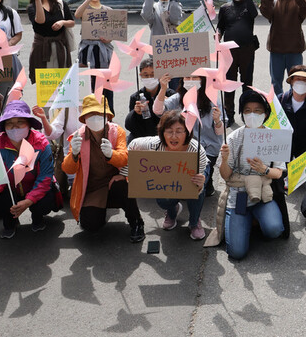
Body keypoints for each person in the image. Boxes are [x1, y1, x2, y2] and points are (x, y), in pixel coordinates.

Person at [207, 92, 288, 258]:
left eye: (258, 111)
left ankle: (256, 220)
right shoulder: (234, 137)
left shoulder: (275, 136)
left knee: (274, 230)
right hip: (239, 194)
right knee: (236, 252)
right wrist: (224, 159)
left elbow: (278, 173)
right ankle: (246, 222)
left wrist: (264, 169)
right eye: (248, 110)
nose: (253, 115)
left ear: (266, 113)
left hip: (263, 191)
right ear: (242, 114)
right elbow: (225, 175)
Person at [62, 94, 144, 242]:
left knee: (123, 185)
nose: (95, 118)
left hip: (115, 182)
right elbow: (68, 169)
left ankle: (136, 222)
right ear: (84, 118)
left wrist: (111, 154)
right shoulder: (78, 136)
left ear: (107, 115)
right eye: (91, 114)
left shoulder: (116, 131)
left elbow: (125, 158)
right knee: (90, 225)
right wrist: (73, 154)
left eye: (99, 114)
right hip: (93, 187)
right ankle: (99, 211)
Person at [0, 100, 60, 238]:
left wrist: (29, 201)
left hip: (34, 187)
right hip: (10, 189)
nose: (15, 127)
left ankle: (38, 217)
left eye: (20, 122)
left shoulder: (42, 144)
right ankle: (10, 222)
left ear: (29, 124)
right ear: (4, 126)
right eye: (9, 123)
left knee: (44, 202)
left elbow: (45, 177)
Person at [130, 110, 209, 240]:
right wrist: (128, 173)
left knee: (194, 191)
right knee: (163, 199)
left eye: (179, 131)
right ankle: (172, 212)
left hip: (196, 173)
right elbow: (132, 145)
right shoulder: (154, 144)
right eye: (169, 131)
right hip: (167, 180)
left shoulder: (196, 150)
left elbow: (199, 183)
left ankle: (194, 222)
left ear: (187, 132)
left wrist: (201, 183)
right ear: (162, 132)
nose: (174, 136)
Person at [153, 73, 226, 196]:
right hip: (182, 145)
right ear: (182, 80)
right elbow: (158, 110)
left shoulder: (213, 101)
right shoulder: (177, 98)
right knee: (184, 174)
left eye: (195, 77)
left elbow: (220, 131)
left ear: (202, 80)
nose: (191, 81)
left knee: (201, 176)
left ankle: (206, 181)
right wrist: (163, 89)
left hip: (208, 148)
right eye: (187, 77)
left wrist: (218, 121)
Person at [260, 0, 306, 95]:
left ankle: (293, 107)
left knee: (297, 81)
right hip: (276, 49)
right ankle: (278, 109)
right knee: (275, 82)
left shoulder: (298, 0)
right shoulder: (272, 0)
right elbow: (264, 11)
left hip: (295, 50)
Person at [216, 0, 258, 125]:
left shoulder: (249, 5)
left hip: (247, 49)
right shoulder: (225, 8)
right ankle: (229, 115)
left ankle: (247, 113)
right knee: (229, 83)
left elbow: (254, 14)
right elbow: (220, 26)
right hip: (229, 51)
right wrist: (217, 35)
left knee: (247, 83)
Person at [75, 0, 116, 113]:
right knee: (88, 84)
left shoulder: (109, 10)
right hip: (87, 51)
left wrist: (108, 39)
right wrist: (88, 0)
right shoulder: (85, 8)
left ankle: (108, 113)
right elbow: (77, 15)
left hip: (104, 52)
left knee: (106, 84)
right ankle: (89, 113)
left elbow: (114, 31)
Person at [26, 0, 74, 83]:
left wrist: (62, 22)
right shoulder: (32, 7)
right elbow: (40, 21)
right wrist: (37, 0)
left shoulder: (60, 4)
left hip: (60, 46)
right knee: (45, 83)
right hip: (42, 48)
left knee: (61, 80)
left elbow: (72, 22)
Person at [125, 57, 168, 140]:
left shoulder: (169, 94)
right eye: (146, 75)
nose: (149, 77)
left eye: (153, 74)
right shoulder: (135, 97)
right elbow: (130, 126)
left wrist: (168, 106)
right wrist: (135, 113)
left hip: (164, 137)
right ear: (140, 75)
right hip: (142, 137)